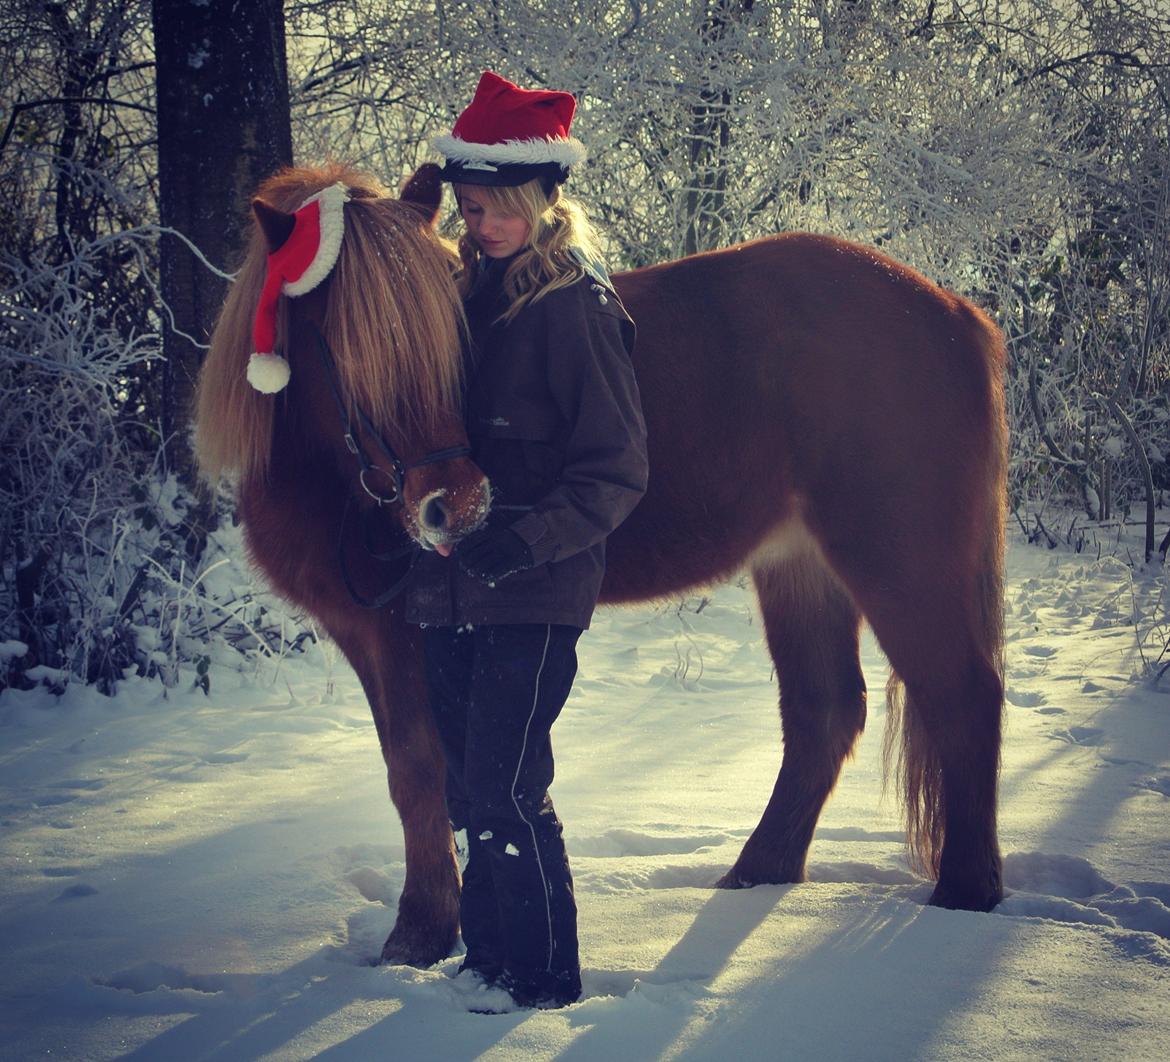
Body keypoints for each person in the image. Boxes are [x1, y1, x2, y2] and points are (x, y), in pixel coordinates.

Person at [405, 70, 649, 1010]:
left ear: (546, 200)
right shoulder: (462, 299)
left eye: (497, 208)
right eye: (468, 208)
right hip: (450, 589)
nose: (478, 225)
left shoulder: (574, 310)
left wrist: (528, 542)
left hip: (534, 592)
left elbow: (617, 472)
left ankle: (543, 981)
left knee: (508, 789)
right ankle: (488, 963)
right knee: (466, 796)